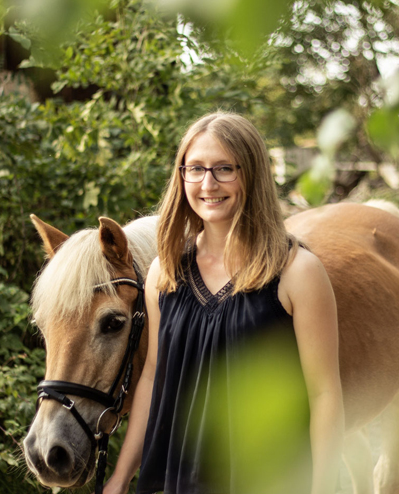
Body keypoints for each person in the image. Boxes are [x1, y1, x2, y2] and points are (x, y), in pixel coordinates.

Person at [103, 112, 343, 494]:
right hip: (176, 479)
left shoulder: (298, 273)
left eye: (224, 168)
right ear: (181, 176)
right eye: (195, 168)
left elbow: (325, 395)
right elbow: (152, 377)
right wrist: (120, 477)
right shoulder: (163, 273)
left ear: (252, 174)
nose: (208, 183)